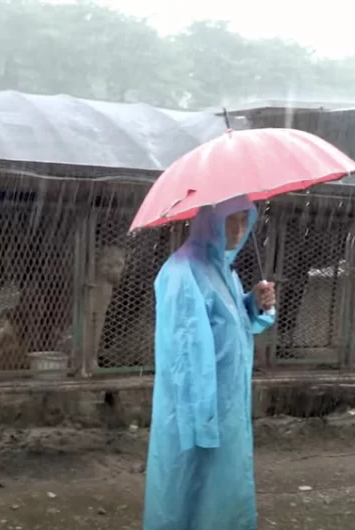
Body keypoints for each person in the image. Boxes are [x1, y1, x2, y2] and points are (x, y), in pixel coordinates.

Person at [143, 194, 276, 530]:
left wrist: (254, 304)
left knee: (221, 496)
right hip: (196, 414)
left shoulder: (224, 271)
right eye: (231, 219)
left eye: (246, 221)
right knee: (186, 495)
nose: (239, 229)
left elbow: (230, 326)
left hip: (226, 409)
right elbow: (184, 356)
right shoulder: (183, 271)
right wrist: (202, 421)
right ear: (209, 221)